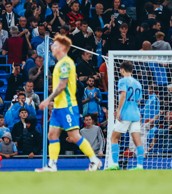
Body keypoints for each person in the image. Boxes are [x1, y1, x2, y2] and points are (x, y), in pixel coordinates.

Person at [35, 34, 102, 172]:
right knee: (52, 134)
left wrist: (48, 99)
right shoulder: (59, 63)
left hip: (68, 106)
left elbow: (62, 85)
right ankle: (52, 165)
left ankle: (95, 160)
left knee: (74, 136)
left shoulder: (66, 63)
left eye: (55, 45)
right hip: (59, 107)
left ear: (63, 47)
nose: (52, 47)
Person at [107, 60, 144, 170]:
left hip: (125, 115)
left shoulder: (122, 81)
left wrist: (119, 110)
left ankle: (114, 164)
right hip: (136, 114)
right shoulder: (138, 83)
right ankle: (139, 166)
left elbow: (123, 94)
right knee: (138, 141)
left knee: (114, 138)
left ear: (122, 70)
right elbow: (138, 100)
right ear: (132, 70)